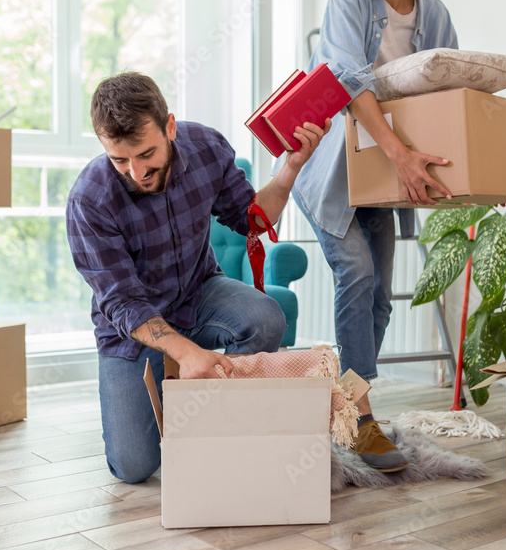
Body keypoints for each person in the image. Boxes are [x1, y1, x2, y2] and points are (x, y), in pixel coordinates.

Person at [66, 71, 329, 485]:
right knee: (133, 468)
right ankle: (182, 391)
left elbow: (251, 220)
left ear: (169, 126)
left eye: (146, 153)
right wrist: (187, 354)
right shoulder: (90, 200)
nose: (136, 172)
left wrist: (290, 168)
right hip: (133, 329)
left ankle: (221, 426)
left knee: (266, 318)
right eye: (119, 160)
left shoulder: (207, 147)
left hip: (198, 291)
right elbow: (122, 303)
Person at [292, 0, 459, 472]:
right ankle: (361, 421)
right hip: (331, 173)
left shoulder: (432, 14)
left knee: (381, 298)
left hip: (382, 178)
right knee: (357, 274)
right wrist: (400, 153)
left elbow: (447, 94)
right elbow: (346, 77)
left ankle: (345, 405)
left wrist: (468, 173)